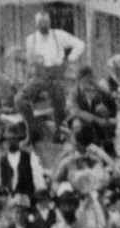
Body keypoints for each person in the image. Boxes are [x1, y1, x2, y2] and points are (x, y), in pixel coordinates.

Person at [14, 12, 85, 144]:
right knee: (20, 99)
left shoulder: (59, 35)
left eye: (46, 22)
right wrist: (25, 63)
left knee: (59, 103)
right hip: (39, 76)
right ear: (36, 24)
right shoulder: (31, 39)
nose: (44, 25)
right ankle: (32, 131)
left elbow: (80, 44)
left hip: (56, 75)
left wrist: (70, 59)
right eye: (41, 23)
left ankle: (58, 133)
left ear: (50, 22)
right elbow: (30, 61)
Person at [67, 67, 116, 152]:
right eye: (86, 79)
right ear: (80, 79)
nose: (89, 81)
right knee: (77, 125)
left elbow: (110, 99)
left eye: (91, 78)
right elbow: (75, 111)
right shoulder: (74, 92)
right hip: (80, 118)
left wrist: (106, 112)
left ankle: (105, 147)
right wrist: (96, 119)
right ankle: (77, 149)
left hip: (97, 119)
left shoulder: (97, 89)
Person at [0, 121, 46, 202]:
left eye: (14, 139)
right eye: (9, 139)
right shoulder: (1, 159)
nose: (11, 142)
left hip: (27, 198)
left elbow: (37, 177)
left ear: (18, 140)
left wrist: (38, 192)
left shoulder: (29, 157)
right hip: (9, 199)